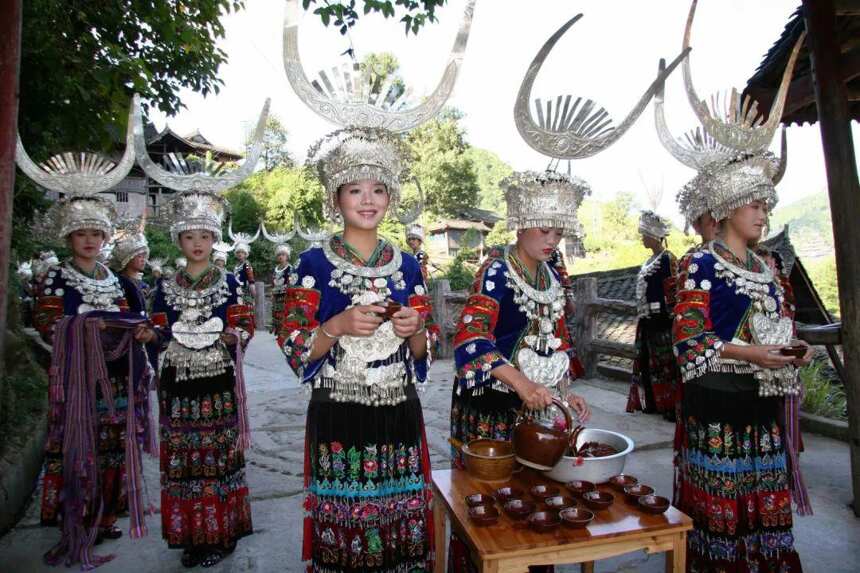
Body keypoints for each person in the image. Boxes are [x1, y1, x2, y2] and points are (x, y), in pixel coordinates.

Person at [671, 8, 811, 569]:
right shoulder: (701, 265)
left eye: (767, 203)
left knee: (767, 508)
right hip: (718, 404)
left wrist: (789, 348)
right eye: (755, 203)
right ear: (728, 206)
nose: (763, 212)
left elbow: (782, 320)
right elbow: (689, 340)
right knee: (723, 507)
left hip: (764, 405)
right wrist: (748, 352)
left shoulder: (771, 265)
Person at [279, 128, 440, 572]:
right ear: (336, 198)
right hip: (339, 405)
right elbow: (294, 344)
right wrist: (335, 326)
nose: (368, 199)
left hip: (397, 403)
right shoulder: (311, 264)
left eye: (379, 189)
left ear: (391, 198)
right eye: (355, 189)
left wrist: (413, 329)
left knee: (401, 508)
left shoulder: (408, 266)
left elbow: (427, 345)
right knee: (342, 511)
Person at [132, 93, 265, 568]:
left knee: (217, 456)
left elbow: (245, 320)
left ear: (214, 239)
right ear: (180, 241)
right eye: (189, 238)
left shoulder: (229, 282)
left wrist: (233, 337)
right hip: (178, 384)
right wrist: (155, 338)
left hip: (216, 382)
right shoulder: (166, 285)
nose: (198, 244)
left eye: (205, 237)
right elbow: (158, 324)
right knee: (185, 459)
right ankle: (191, 534)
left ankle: (222, 532)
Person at [18, 129, 156, 568]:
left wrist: (135, 333)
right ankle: (76, 515)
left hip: (114, 378)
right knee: (80, 449)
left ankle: (105, 514)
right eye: (82, 234)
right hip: (78, 381)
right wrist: (86, 327)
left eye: (97, 233)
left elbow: (126, 317)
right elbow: (45, 322)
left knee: (113, 446)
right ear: (69, 238)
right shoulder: (57, 277)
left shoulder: (113, 280)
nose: (90, 241)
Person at [626, 211, 681, 420]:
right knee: (648, 361)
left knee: (666, 362)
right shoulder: (649, 260)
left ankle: (669, 406)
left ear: (655, 236)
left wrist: (669, 314)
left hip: (663, 320)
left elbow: (672, 288)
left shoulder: (667, 259)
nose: (642, 238)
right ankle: (653, 402)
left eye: (645, 234)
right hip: (647, 318)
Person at [269, 243, 291, 334]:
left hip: (285, 294)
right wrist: (272, 293)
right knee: (276, 311)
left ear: (287, 256)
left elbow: (290, 282)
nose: (281, 257)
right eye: (279, 255)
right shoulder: (276, 269)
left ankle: (284, 330)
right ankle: (277, 329)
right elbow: (273, 281)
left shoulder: (290, 268)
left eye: (283, 254)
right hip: (276, 294)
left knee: (284, 312)